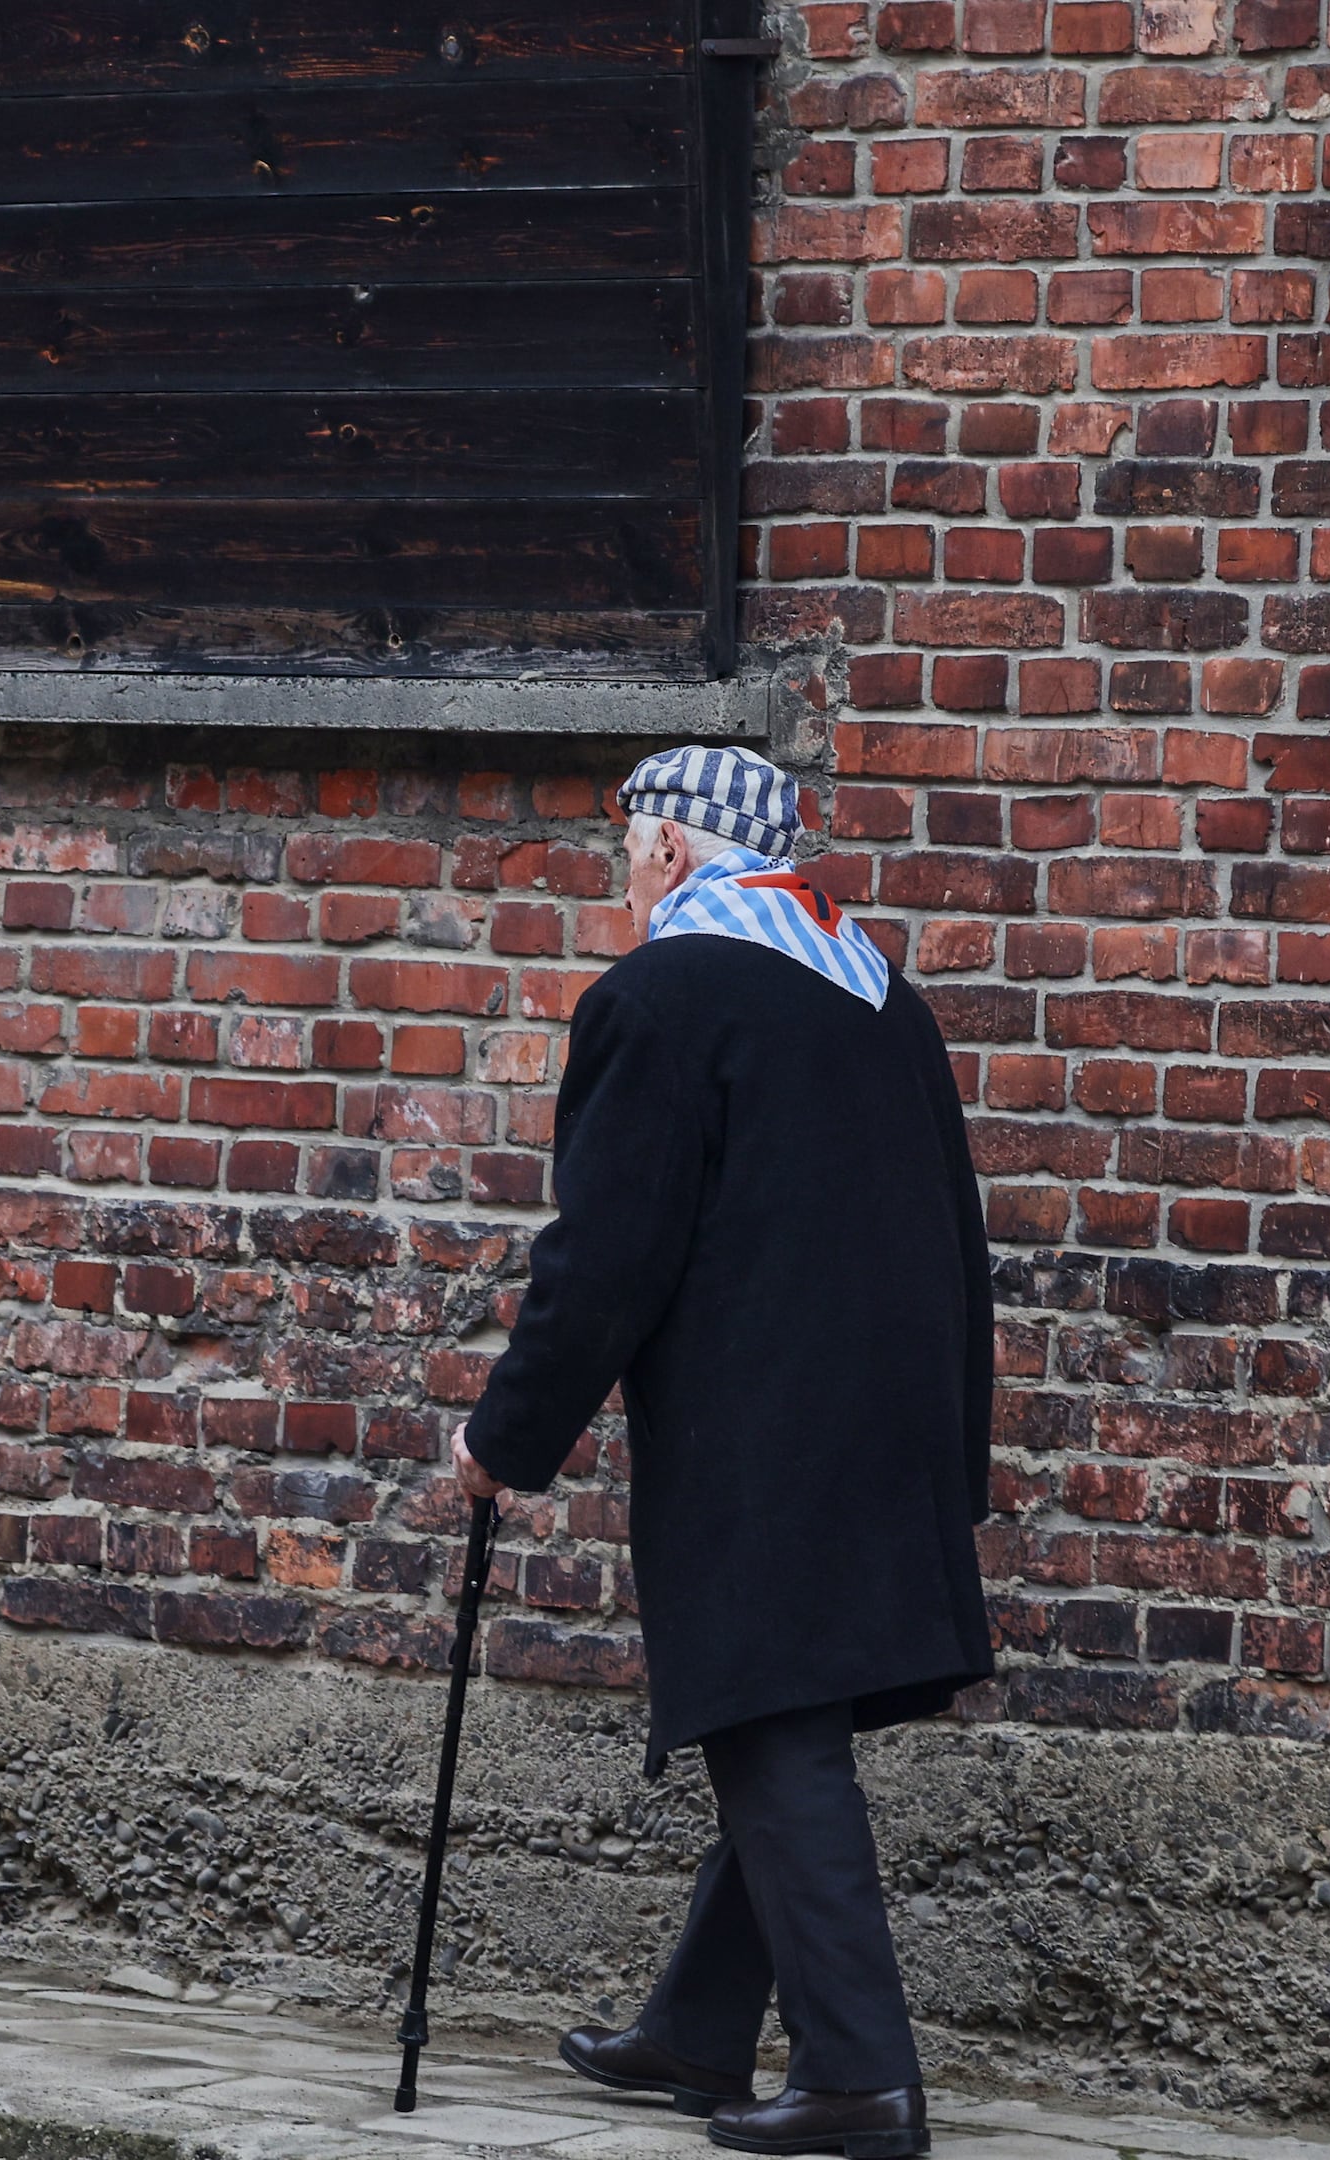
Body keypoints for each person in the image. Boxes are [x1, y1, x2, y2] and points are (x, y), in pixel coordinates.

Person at [454, 745, 995, 2160]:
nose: (620, 879)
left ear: (674, 856)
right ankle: (698, 2027)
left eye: (628, 849)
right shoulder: (883, 999)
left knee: (767, 1712)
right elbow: (959, 1236)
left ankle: (860, 2080)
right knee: (790, 1704)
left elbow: (608, 1256)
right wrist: (960, 1451)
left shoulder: (663, 998)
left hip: (761, 1430)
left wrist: (506, 1441)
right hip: (891, 1421)